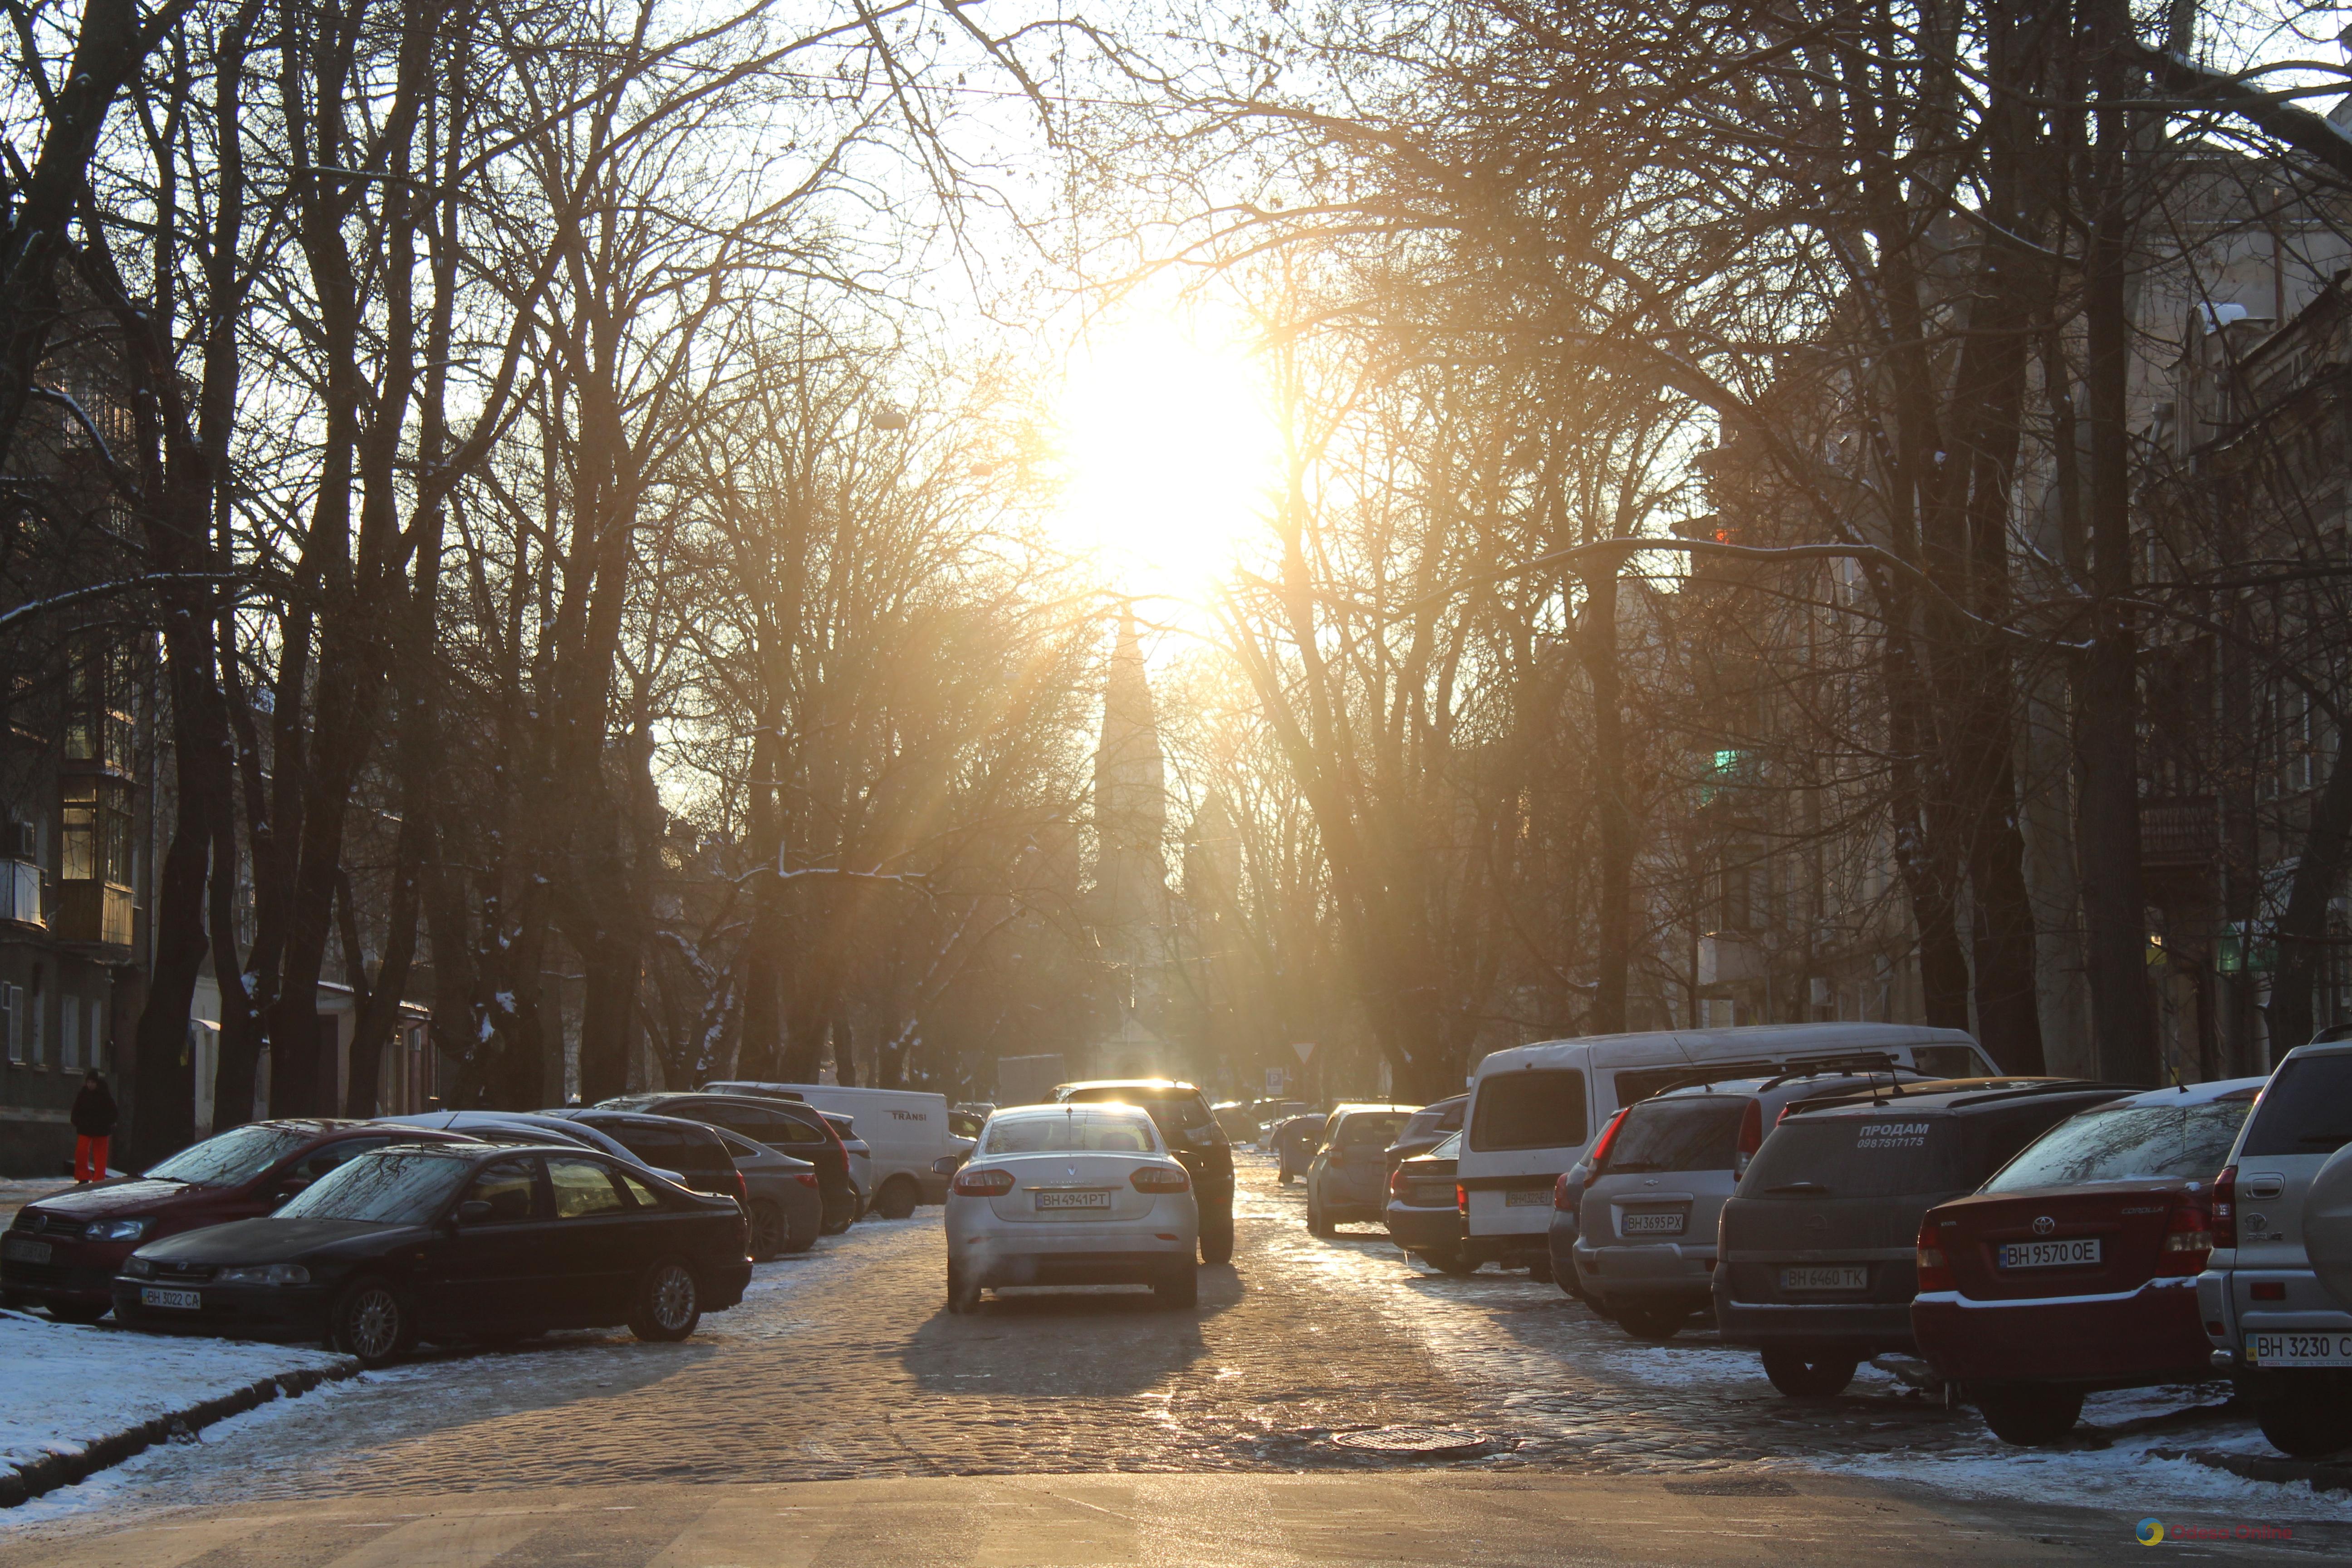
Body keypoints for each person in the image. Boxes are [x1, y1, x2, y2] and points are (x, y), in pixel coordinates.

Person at [70, 1070, 117, 1184]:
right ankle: (83, 1176)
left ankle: (99, 1180)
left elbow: (113, 1111)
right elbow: (76, 1109)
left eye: (92, 1082)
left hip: (101, 1130)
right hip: (86, 1128)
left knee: (100, 1156)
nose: (90, 1085)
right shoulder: (83, 1093)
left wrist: (107, 1122)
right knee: (81, 1152)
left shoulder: (104, 1094)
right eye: (89, 1082)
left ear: (97, 1083)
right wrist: (77, 1121)